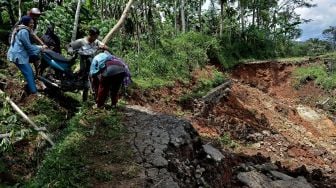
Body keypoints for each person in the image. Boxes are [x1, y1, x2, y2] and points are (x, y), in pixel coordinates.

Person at [7, 16, 46, 96]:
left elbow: (33, 37)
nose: (32, 24)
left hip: (17, 53)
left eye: (33, 22)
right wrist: (41, 47)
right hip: (18, 55)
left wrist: (41, 45)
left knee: (30, 70)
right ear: (26, 23)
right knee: (29, 72)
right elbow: (28, 46)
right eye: (31, 22)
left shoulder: (22, 28)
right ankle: (34, 92)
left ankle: (32, 85)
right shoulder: (24, 31)